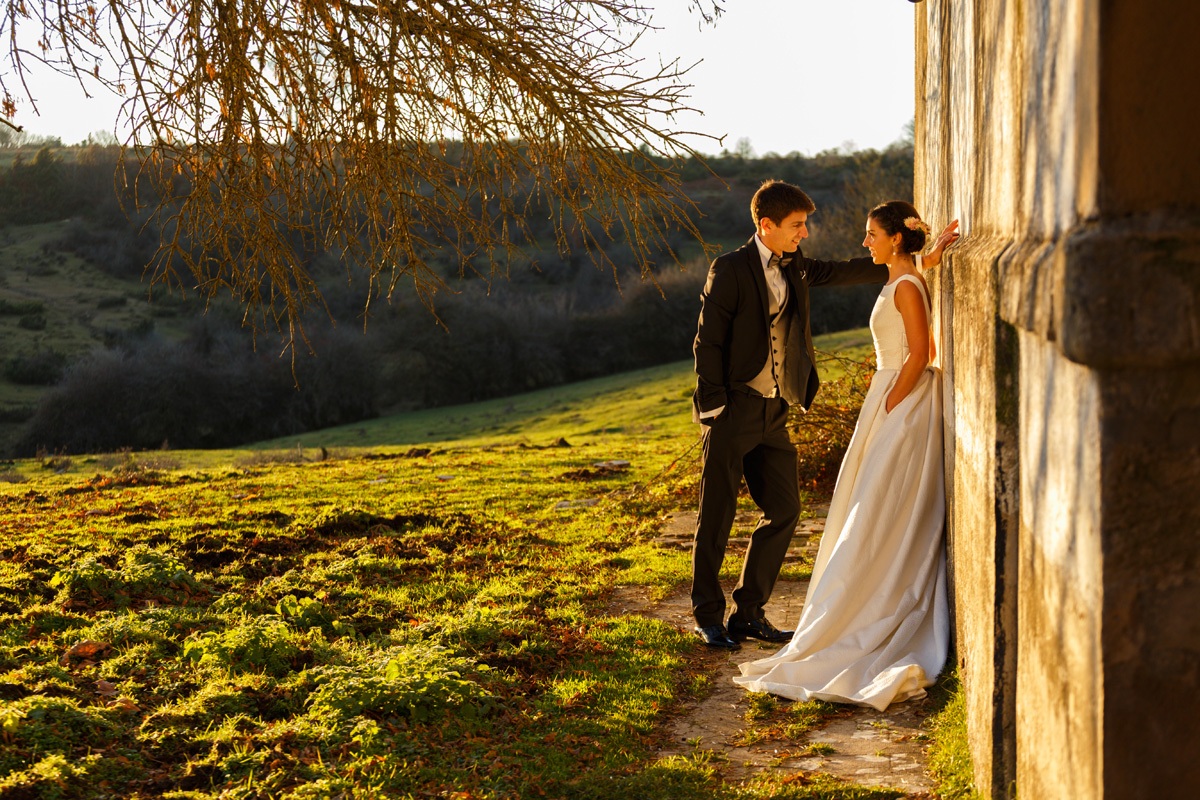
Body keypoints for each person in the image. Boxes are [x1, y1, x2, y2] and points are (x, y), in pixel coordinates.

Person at [690, 182, 956, 651]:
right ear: (765, 226)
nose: (805, 233)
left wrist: (922, 260)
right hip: (733, 408)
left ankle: (749, 613)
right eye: (797, 226)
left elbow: (849, 270)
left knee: (786, 510)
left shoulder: (797, 267)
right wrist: (713, 407)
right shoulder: (729, 269)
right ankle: (707, 616)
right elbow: (707, 341)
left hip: (774, 410)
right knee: (718, 513)